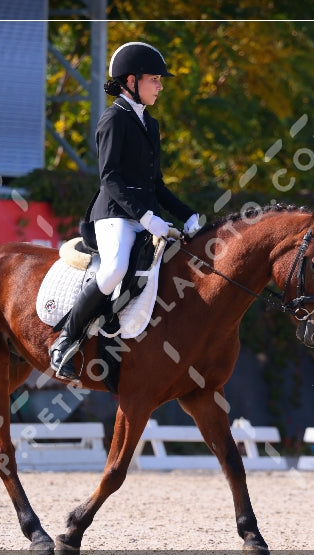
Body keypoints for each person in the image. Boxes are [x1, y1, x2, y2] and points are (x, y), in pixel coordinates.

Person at [49, 41, 203, 382]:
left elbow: (156, 184)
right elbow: (110, 178)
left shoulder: (150, 124)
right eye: (155, 79)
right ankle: (65, 340)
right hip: (113, 216)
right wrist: (146, 217)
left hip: (144, 218)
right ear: (131, 80)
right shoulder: (113, 119)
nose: (160, 86)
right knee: (116, 267)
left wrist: (187, 214)